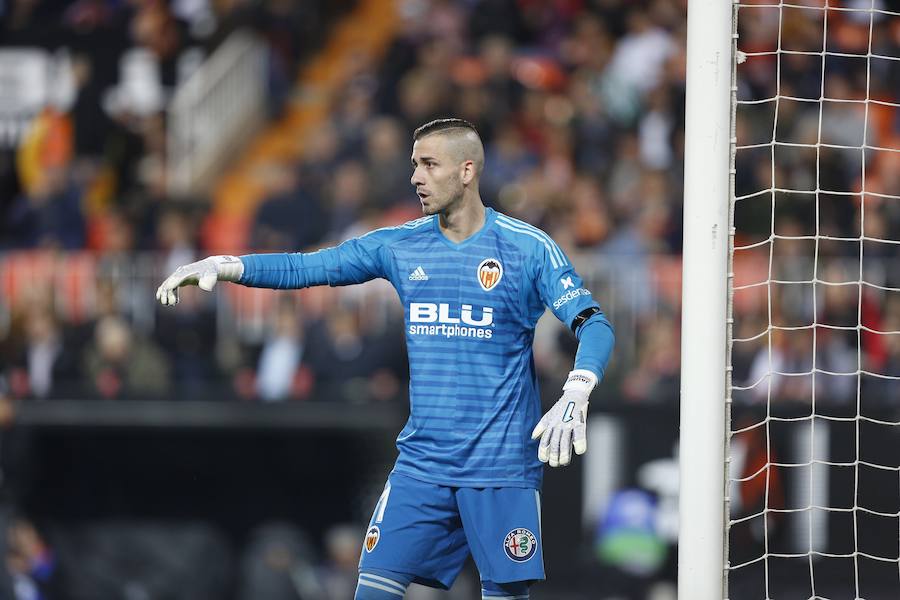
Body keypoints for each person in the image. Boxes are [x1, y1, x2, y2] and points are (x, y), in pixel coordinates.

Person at [156, 118, 614, 599]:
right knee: (372, 589)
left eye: (429, 164)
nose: (415, 176)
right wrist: (226, 265)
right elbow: (310, 266)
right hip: (423, 466)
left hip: (499, 468)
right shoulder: (400, 244)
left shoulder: (527, 248)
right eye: (414, 164)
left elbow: (595, 324)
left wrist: (577, 390)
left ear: (467, 170)